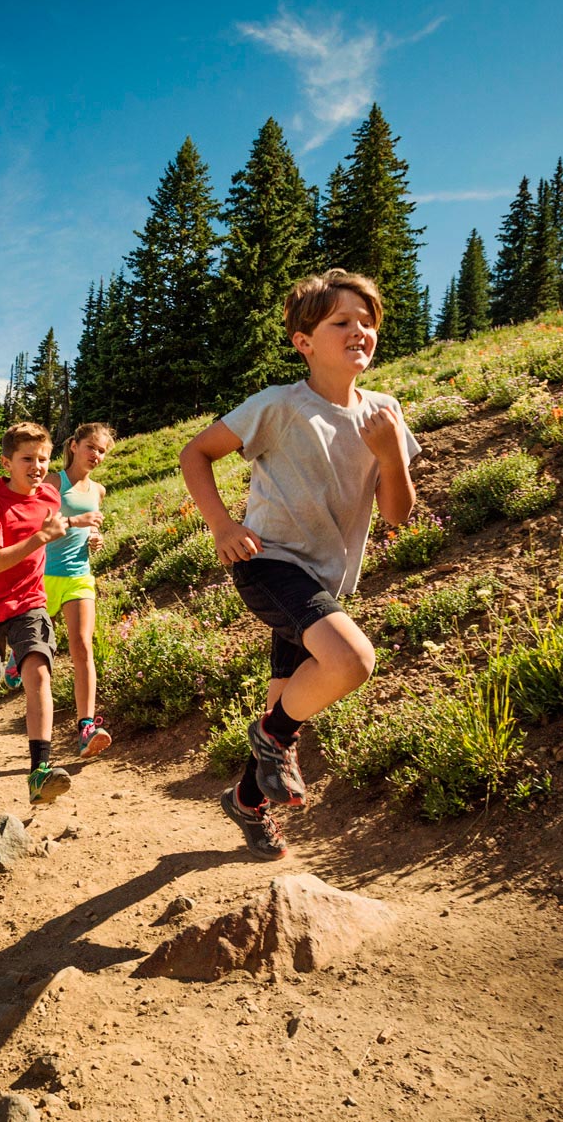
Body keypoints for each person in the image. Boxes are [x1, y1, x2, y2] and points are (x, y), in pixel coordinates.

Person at [179, 270, 420, 860]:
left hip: (326, 579)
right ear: (303, 341)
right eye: (341, 322)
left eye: (368, 321)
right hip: (269, 562)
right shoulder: (281, 406)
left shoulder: (385, 414)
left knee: (290, 692)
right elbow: (196, 453)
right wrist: (222, 526)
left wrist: (391, 455)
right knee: (352, 660)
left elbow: (397, 516)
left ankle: (247, 801)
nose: (359, 331)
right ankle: (272, 740)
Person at [0, 422, 98, 804]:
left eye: (43, 458)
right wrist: (41, 538)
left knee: (38, 672)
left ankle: (39, 772)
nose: (37, 466)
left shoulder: (50, 494)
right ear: (7, 462)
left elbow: (51, 525)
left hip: (30, 602)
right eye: (27, 459)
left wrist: (79, 527)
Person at [41, 422, 114, 757]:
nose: (96, 455)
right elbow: (38, 527)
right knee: (38, 649)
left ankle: (86, 727)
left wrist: (95, 538)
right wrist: (75, 523)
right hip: (42, 576)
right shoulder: (54, 482)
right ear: (73, 445)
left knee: (82, 646)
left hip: (78, 575)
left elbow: (92, 530)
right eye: (91, 447)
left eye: (101, 451)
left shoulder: (98, 491)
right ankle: (13, 663)